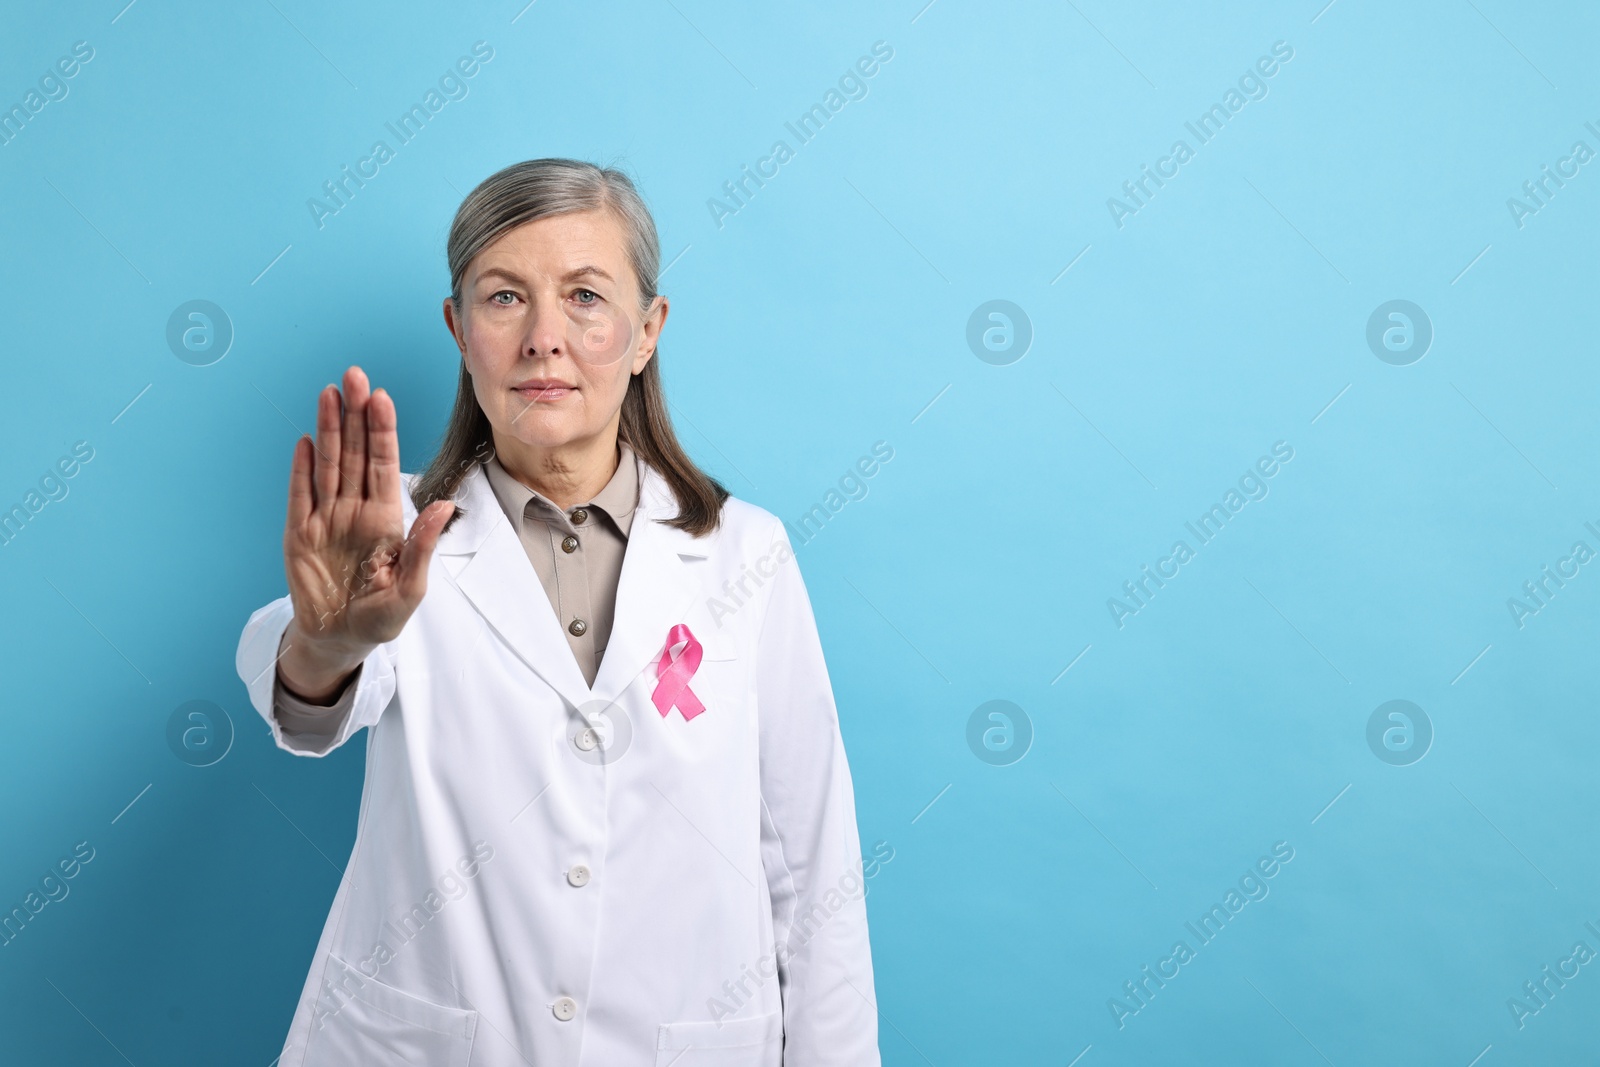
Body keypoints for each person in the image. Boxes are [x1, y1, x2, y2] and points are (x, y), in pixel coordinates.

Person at [234, 158, 880, 1066]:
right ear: (459, 329)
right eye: (504, 299)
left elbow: (813, 866)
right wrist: (328, 639)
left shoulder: (747, 555)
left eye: (585, 295)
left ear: (647, 329)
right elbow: (307, 698)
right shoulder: (400, 542)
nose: (544, 337)